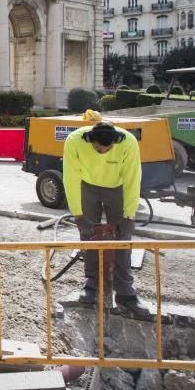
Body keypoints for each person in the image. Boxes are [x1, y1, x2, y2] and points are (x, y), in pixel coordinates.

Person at [63, 120, 149, 316]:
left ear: (115, 142)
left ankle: (125, 293)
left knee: (122, 238)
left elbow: (132, 179)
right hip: (87, 185)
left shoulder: (128, 143)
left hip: (117, 187)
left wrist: (129, 215)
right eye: (98, 148)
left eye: (107, 149)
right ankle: (93, 283)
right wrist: (78, 214)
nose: (102, 152)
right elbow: (70, 177)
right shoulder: (74, 141)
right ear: (90, 140)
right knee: (89, 235)